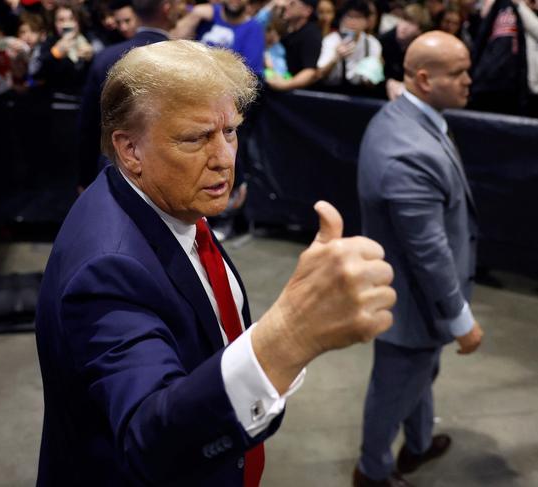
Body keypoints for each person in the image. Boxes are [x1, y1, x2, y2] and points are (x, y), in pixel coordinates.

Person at [35, 39, 396, 486]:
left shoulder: (158, 202)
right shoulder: (109, 268)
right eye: (195, 138)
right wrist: (290, 336)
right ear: (129, 150)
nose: (225, 159)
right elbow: (151, 440)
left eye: (230, 131)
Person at [354, 31, 484, 487]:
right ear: (425, 80)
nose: (470, 79)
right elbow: (428, 252)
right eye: (459, 72)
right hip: (412, 303)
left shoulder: (406, 117)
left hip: (414, 302)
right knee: (395, 388)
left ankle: (419, 443)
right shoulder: (410, 151)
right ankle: (372, 471)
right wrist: (459, 317)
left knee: (419, 375)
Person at [77, 0, 180, 191]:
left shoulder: (105, 58)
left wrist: (85, 178)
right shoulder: (186, 59)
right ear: (167, 8)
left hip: (117, 169)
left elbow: (88, 127)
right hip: (174, 169)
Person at [171, 0, 265, 74]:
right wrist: (195, 15)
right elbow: (171, 42)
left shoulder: (254, 29)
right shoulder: (204, 13)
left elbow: (251, 74)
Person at [317, 0, 384, 95]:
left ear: (367, 21)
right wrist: (336, 57)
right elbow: (320, 74)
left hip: (360, 94)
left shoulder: (372, 43)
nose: (353, 22)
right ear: (342, 19)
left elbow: (372, 83)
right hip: (333, 93)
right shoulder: (332, 40)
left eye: (358, 17)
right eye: (349, 16)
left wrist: (374, 73)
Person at [265, 0, 323, 91]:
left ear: (306, 11)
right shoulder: (285, 28)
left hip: (298, 96)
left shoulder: (311, 34)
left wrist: (284, 85)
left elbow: (310, 71)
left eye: (292, 3)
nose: (286, 5)